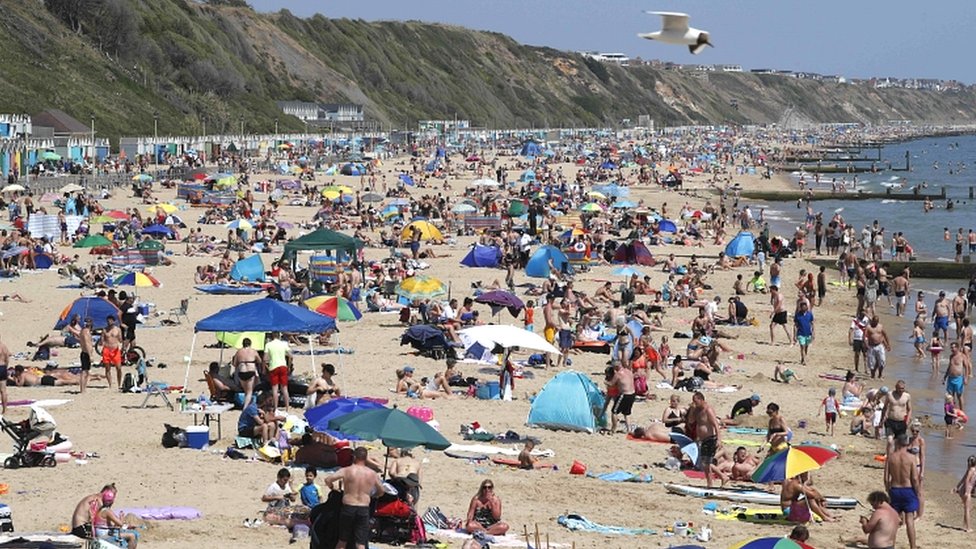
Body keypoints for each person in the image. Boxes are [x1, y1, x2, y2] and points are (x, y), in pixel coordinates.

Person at [325, 447, 386, 549]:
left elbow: (328, 479)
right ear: (366, 458)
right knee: (360, 543)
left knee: (342, 541)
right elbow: (382, 491)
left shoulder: (347, 470)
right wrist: (374, 495)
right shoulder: (372, 474)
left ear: (354, 457)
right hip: (363, 508)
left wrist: (332, 487)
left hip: (348, 506)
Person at [885, 433, 919, 549]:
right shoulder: (911, 458)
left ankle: (891, 545)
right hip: (908, 489)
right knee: (909, 519)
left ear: (897, 443)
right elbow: (914, 478)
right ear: (908, 443)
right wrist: (917, 492)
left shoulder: (891, 457)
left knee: (894, 520)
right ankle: (913, 547)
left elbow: (886, 478)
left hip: (895, 489)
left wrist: (888, 491)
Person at [691, 391, 721, 489]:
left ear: (701, 399)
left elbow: (716, 425)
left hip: (711, 438)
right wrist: (692, 410)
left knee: (707, 463)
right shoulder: (697, 410)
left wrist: (719, 439)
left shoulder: (708, 410)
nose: (695, 403)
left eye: (696, 401)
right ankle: (718, 479)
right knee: (705, 463)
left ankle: (711, 483)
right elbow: (691, 421)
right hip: (703, 440)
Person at [232, 337, 263, 410]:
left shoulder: (239, 352)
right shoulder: (253, 351)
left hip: (242, 372)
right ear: (250, 344)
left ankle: (248, 405)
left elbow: (234, 363)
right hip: (250, 371)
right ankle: (245, 408)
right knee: (249, 392)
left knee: (246, 391)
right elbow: (259, 361)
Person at [264, 332, 291, 412]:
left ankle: (276, 407)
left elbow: (265, 359)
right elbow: (291, 356)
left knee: (275, 389)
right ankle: (287, 407)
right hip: (283, 365)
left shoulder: (268, 344)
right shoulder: (284, 344)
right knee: (284, 388)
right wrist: (288, 366)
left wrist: (267, 368)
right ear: (279, 335)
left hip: (273, 366)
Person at [608, 359, 636, 434]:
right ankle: (629, 429)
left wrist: (605, 382)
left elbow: (611, 384)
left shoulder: (618, 374)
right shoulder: (629, 371)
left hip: (625, 394)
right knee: (626, 413)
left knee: (614, 411)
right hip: (632, 394)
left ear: (616, 367)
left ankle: (613, 429)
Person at [101, 315, 123, 389]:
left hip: (115, 349)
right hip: (107, 350)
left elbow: (120, 340)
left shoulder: (117, 329)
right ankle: (110, 384)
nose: (109, 322)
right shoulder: (104, 330)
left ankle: (119, 384)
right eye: (108, 320)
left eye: (110, 320)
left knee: (119, 368)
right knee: (107, 368)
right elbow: (102, 341)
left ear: (114, 321)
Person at [956, 455, 976, 532]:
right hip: (966, 490)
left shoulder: (970, 470)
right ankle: (968, 528)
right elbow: (966, 480)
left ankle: (965, 524)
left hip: (965, 490)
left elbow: (964, 478)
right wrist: (967, 492)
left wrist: (957, 487)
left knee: (967, 508)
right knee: (967, 509)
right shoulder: (971, 470)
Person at [945, 342, 968, 408]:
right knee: (950, 396)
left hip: (958, 378)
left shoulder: (962, 356)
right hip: (950, 378)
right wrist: (945, 377)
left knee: (959, 395)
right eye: (951, 348)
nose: (952, 349)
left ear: (957, 348)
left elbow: (966, 367)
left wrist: (966, 378)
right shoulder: (951, 356)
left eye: (953, 347)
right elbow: (949, 367)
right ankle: (953, 410)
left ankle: (961, 411)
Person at [793, 300, 814, 365]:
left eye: (805, 307)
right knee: (802, 346)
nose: (804, 308)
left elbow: (812, 324)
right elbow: (795, 325)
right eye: (803, 307)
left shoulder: (809, 314)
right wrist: (794, 335)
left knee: (806, 347)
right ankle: (804, 360)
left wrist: (813, 333)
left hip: (808, 333)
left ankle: (803, 358)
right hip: (800, 333)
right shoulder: (798, 315)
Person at [79, 317, 94, 393]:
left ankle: (83, 388)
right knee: (84, 372)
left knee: (86, 372)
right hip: (86, 353)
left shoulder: (82, 331)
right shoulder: (86, 332)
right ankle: (82, 389)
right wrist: (90, 355)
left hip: (84, 352)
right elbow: (87, 343)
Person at [0, 335, 8, 415]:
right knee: (3, 390)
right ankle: (4, 410)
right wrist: (6, 367)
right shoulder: (4, 346)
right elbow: (7, 358)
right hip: (3, 367)